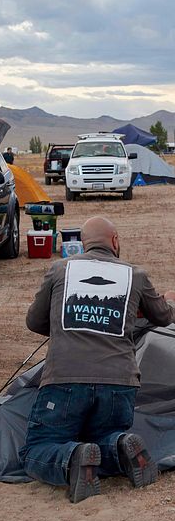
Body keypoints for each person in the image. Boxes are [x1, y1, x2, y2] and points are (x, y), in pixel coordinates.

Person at [19, 216, 175, 503]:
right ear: (115, 241)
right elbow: (163, 316)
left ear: (82, 242)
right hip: (119, 385)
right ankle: (121, 445)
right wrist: (167, 300)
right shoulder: (135, 275)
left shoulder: (59, 270)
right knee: (106, 435)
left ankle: (74, 456)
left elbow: (34, 321)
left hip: (65, 381)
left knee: (37, 449)